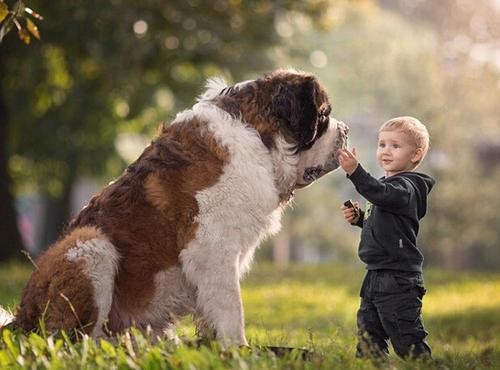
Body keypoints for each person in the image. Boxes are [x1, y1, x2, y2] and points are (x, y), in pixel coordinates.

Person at [337, 116, 435, 360]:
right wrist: (360, 218)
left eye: (395, 145)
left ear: (415, 154)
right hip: (375, 274)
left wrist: (355, 172)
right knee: (369, 338)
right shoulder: (387, 187)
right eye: (382, 144)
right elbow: (385, 220)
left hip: (398, 278)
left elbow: (383, 195)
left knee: (407, 340)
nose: (386, 151)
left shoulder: (409, 187)